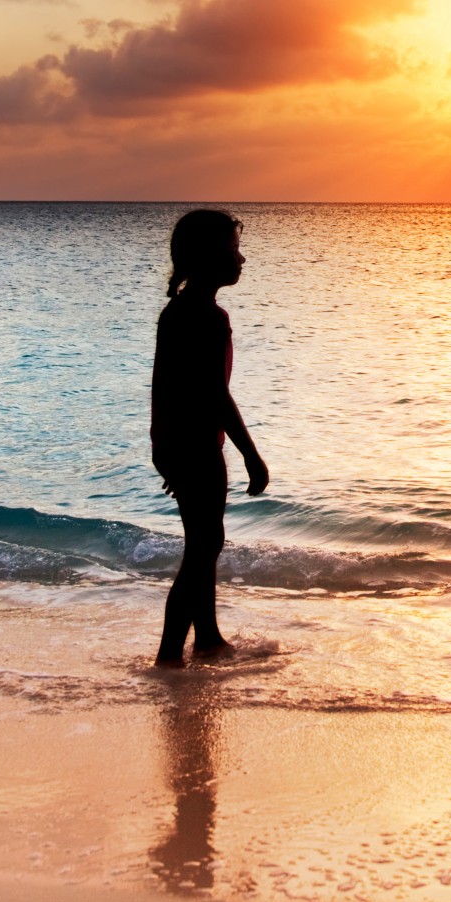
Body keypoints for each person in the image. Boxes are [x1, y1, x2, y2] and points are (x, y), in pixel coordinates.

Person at [150, 208, 269, 665]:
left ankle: (208, 638)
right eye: (234, 250)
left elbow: (164, 387)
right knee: (203, 548)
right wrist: (251, 457)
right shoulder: (206, 316)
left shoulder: (177, 311)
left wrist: (164, 451)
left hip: (178, 442)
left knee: (204, 541)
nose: (241, 260)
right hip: (197, 444)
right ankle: (168, 654)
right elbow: (216, 395)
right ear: (209, 257)